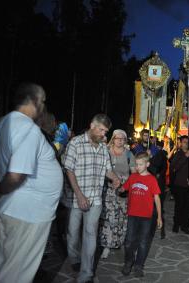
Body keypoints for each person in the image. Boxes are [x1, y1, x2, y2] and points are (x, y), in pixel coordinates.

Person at [0, 83, 63, 283]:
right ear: (35, 101)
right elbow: (17, 174)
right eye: (43, 101)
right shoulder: (28, 129)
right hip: (28, 212)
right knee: (18, 273)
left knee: (7, 265)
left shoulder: (3, 123)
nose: (44, 107)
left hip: (14, 207)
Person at [62, 114, 120, 283]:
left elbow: (107, 169)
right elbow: (69, 170)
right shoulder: (76, 143)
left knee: (90, 232)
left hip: (95, 198)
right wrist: (79, 195)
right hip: (76, 197)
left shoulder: (103, 147)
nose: (104, 134)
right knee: (73, 232)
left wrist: (114, 178)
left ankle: (86, 273)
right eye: (101, 130)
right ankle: (74, 258)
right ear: (92, 125)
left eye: (106, 131)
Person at [118, 152, 162, 278]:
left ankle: (139, 265)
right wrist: (119, 187)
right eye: (136, 164)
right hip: (132, 215)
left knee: (143, 242)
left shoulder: (152, 179)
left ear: (147, 164)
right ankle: (128, 262)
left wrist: (159, 217)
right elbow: (124, 188)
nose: (137, 167)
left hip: (146, 217)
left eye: (140, 164)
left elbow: (157, 199)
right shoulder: (132, 177)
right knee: (129, 241)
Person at [100, 129, 136, 259]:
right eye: (117, 138)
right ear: (113, 139)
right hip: (109, 190)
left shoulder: (129, 154)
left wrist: (126, 185)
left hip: (123, 191)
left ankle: (118, 242)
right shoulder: (106, 152)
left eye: (122, 138)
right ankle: (107, 245)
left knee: (122, 218)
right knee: (109, 218)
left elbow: (133, 173)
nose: (120, 140)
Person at [170, 135, 189, 234]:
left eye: (187, 142)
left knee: (188, 207)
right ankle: (176, 225)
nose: (186, 144)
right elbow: (174, 168)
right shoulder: (178, 154)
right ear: (181, 143)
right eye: (184, 142)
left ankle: (185, 226)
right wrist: (184, 157)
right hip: (180, 185)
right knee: (179, 206)